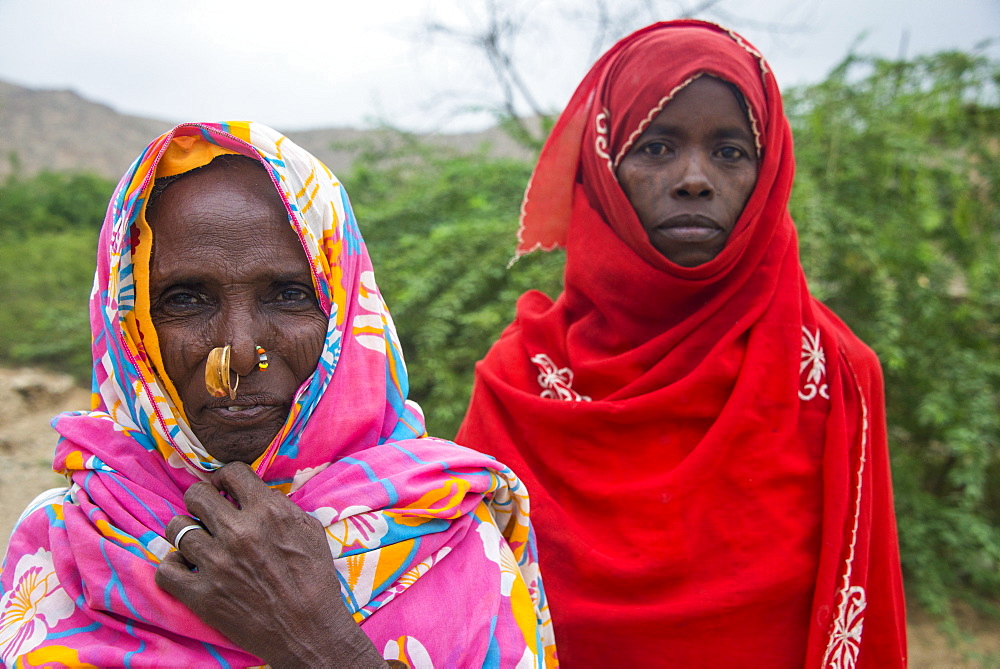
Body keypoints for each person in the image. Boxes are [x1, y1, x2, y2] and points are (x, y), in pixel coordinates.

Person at [0, 122, 555, 667]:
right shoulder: (66, 541)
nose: (240, 354)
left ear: (343, 313)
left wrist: (321, 642)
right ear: (128, 326)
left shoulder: (446, 530)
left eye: (289, 294)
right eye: (186, 299)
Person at [455, 20, 907, 667]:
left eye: (729, 151)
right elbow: (463, 612)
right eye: (657, 147)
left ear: (768, 170)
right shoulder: (521, 381)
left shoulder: (835, 377)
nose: (694, 178)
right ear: (604, 167)